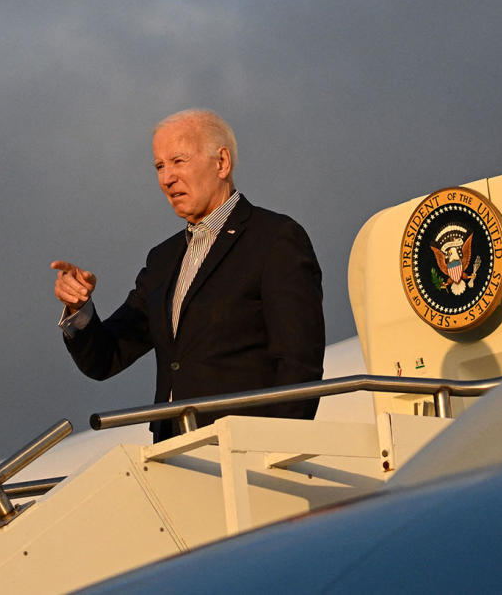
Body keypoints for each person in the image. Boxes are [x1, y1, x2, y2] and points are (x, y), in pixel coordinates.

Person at [51, 109, 325, 441]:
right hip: (175, 455)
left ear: (221, 163)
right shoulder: (163, 260)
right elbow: (105, 359)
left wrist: (275, 450)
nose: (167, 178)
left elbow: (299, 363)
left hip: (244, 456)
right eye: (159, 166)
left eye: (178, 161)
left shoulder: (275, 239)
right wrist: (80, 310)